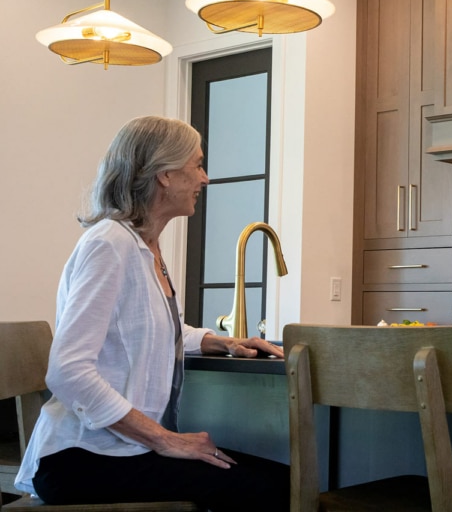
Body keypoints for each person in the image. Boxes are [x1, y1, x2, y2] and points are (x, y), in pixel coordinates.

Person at [15, 116, 290, 510]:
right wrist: (167, 440)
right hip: (84, 459)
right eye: (197, 165)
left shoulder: (144, 247)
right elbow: (68, 370)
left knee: (277, 481)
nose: (205, 178)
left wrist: (217, 341)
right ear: (164, 174)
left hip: (124, 451)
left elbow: (151, 327)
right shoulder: (110, 244)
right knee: (273, 489)